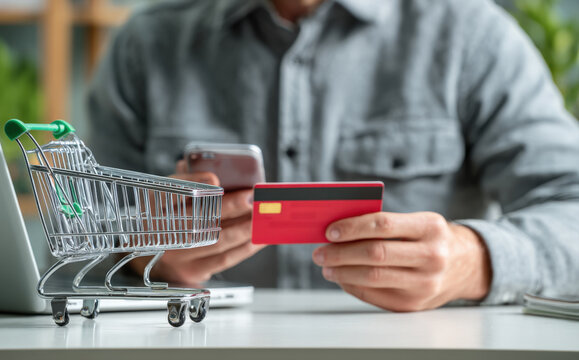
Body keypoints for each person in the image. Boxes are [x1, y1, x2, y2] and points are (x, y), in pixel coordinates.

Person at [87, 0, 579, 311]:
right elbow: (73, 245)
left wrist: (472, 261)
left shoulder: (473, 36)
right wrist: (140, 261)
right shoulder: (146, 45)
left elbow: (571, 204)